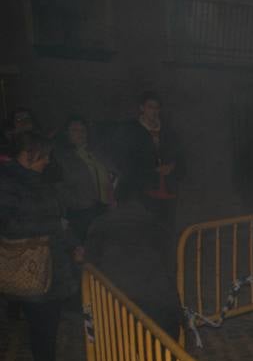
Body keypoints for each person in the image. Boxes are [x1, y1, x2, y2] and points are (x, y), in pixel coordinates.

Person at [0, 134, 79, 361]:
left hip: (53, 264)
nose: (47, 161)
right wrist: (36, 234)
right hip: (32, 266)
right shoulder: (9, 182)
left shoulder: (38, 181)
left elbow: (58, 221)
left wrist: (72, 245)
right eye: (43, 156)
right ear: (28, 154)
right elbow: (7, 223)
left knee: (47, 326)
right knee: (42, 328)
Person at [83, 191, 181, 337]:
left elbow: (91, 264)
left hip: (116, 307)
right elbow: (171, 267)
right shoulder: (158, 226)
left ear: (114, 202)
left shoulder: (100, 224)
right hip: (160, 305)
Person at [117, 92, 182, 237]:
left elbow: (179, 155)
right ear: (142, 108)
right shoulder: (131, 130)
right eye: (150, 107)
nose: (154, 111)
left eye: (157, 108)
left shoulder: (168, 132)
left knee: (166, 230)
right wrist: (152, 170)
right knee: (146, 231)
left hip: (167, 192)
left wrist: (171, 167)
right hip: (143, 191)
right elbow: (126, 162)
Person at [52, 116, 115, 242]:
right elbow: (58, 186)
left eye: (83, 130)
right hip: (82, 212)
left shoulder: (96, 152)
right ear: (66, 133)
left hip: (105, 208)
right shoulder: (60, 156)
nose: (80, 133)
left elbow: (113, 172)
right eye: (75, 130)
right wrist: (78, 203)